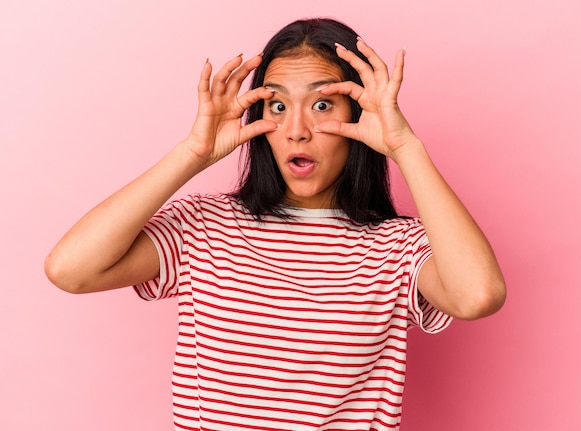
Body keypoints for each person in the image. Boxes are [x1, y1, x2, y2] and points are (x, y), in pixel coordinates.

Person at [45, 17, 506, 431]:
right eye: (278, 106)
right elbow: (71, 269)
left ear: (360, 116)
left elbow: (477, 296)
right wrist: (192, 155)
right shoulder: (205, 225)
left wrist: (406, 147)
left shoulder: (399, 246)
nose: (296, 129)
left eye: (323, 105)